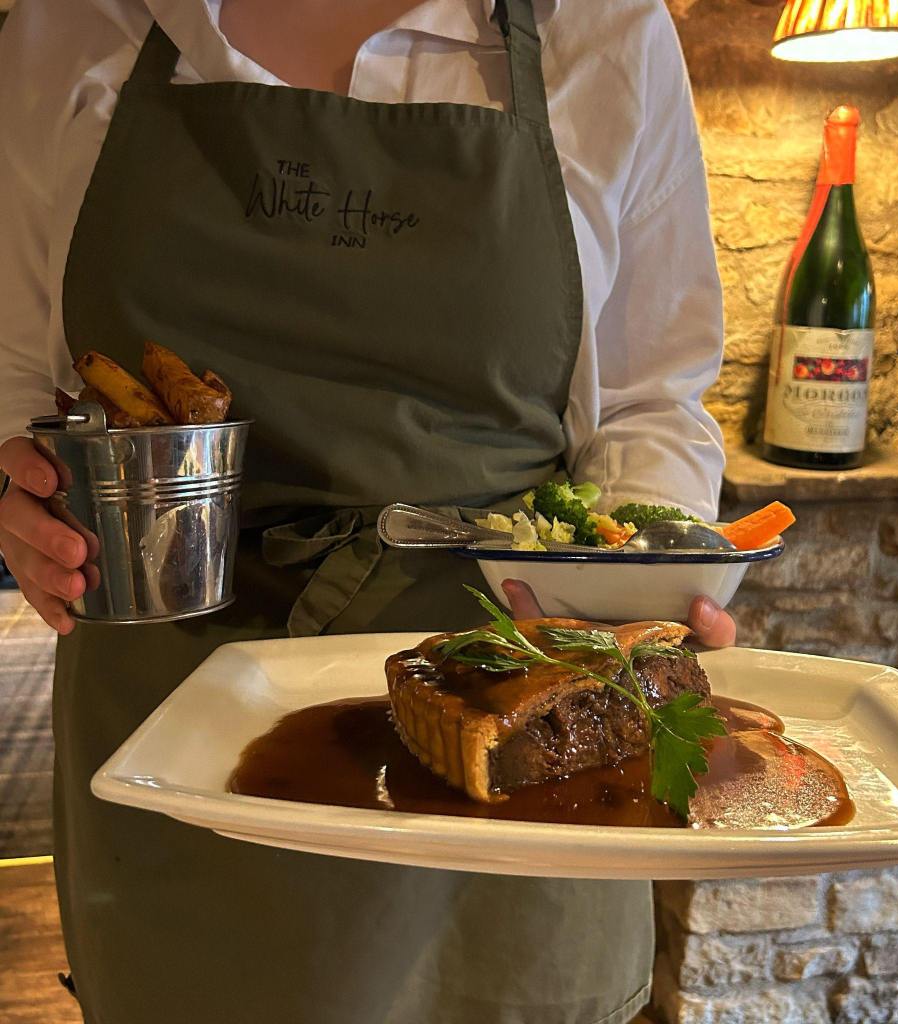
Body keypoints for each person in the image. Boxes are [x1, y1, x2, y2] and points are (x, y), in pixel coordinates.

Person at [0, 0, 735, 1021]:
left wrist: (633, 573)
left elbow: (653, 398)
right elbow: (13, 365)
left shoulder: (603, 27)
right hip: (170, 727)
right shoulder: (70, 24)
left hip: (512, 719)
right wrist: (22, 491)